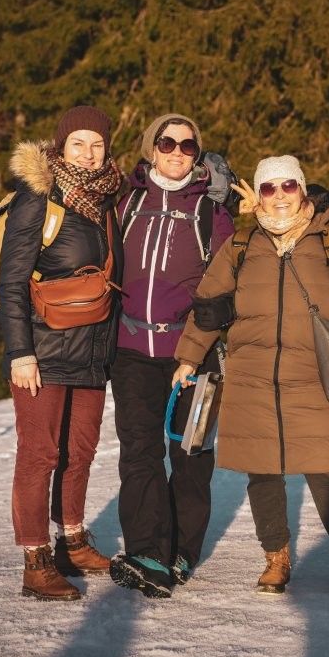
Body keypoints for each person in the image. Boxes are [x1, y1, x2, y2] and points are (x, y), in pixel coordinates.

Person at [172, 156, 329, 606]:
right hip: (253, 377)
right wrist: (189, 356)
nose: (280, 195)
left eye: (289, 185)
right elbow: (209, 303)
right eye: (269, 188)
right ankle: (276, 556)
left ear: (303, 190)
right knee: (263, 472)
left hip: (315, 374)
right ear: (261, 195)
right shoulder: (242, 243)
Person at [0, 105, 123, 601]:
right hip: (43, 350)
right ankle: (35, 560)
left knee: (81, 450)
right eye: (78, 144)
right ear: (61, 146)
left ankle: (72, 539)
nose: (89, 154)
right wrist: (19, 352)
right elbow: (11, 283)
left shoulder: (109, 198)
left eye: (97, 144)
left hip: (91, 348)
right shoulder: (38, 199)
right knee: (39, 454)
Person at [107, 113, 236, 600]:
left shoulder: (211, 213)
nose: (178, 152)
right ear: (151, 148)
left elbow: (223, 291)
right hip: (132, 350)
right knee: (139, 452)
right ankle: (147, 550)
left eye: (188, 146)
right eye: (168, 143)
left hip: (196, 355)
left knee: (191, 454)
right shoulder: (126, 203)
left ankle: (183, 549)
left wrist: (197, 350)